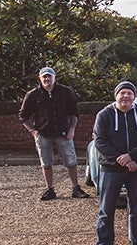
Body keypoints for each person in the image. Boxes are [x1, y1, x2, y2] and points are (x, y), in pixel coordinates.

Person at [91, 81, 137, 245]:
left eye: (129, 93)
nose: (125, 96)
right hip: (110, 168)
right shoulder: (104, 115)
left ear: (134, 96)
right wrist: (122, 159)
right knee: (106, 209)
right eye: (122, 93)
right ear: (116, 95)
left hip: (136, 167)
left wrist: (132, 156)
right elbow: (100, 141)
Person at [18, 67, 87, 201]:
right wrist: (32, 131)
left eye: (49, 76)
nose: (47, 79)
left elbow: (74, 112)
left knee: (71, 161)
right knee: (46, 163)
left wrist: (72, 129)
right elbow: (23, 115)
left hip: (63, 133)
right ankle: (49, 189)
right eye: (44, 77)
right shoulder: (33, 95)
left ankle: (76, 187)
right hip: (43, 133)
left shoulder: (65, 92)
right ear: (40, 78)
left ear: (54, 77)